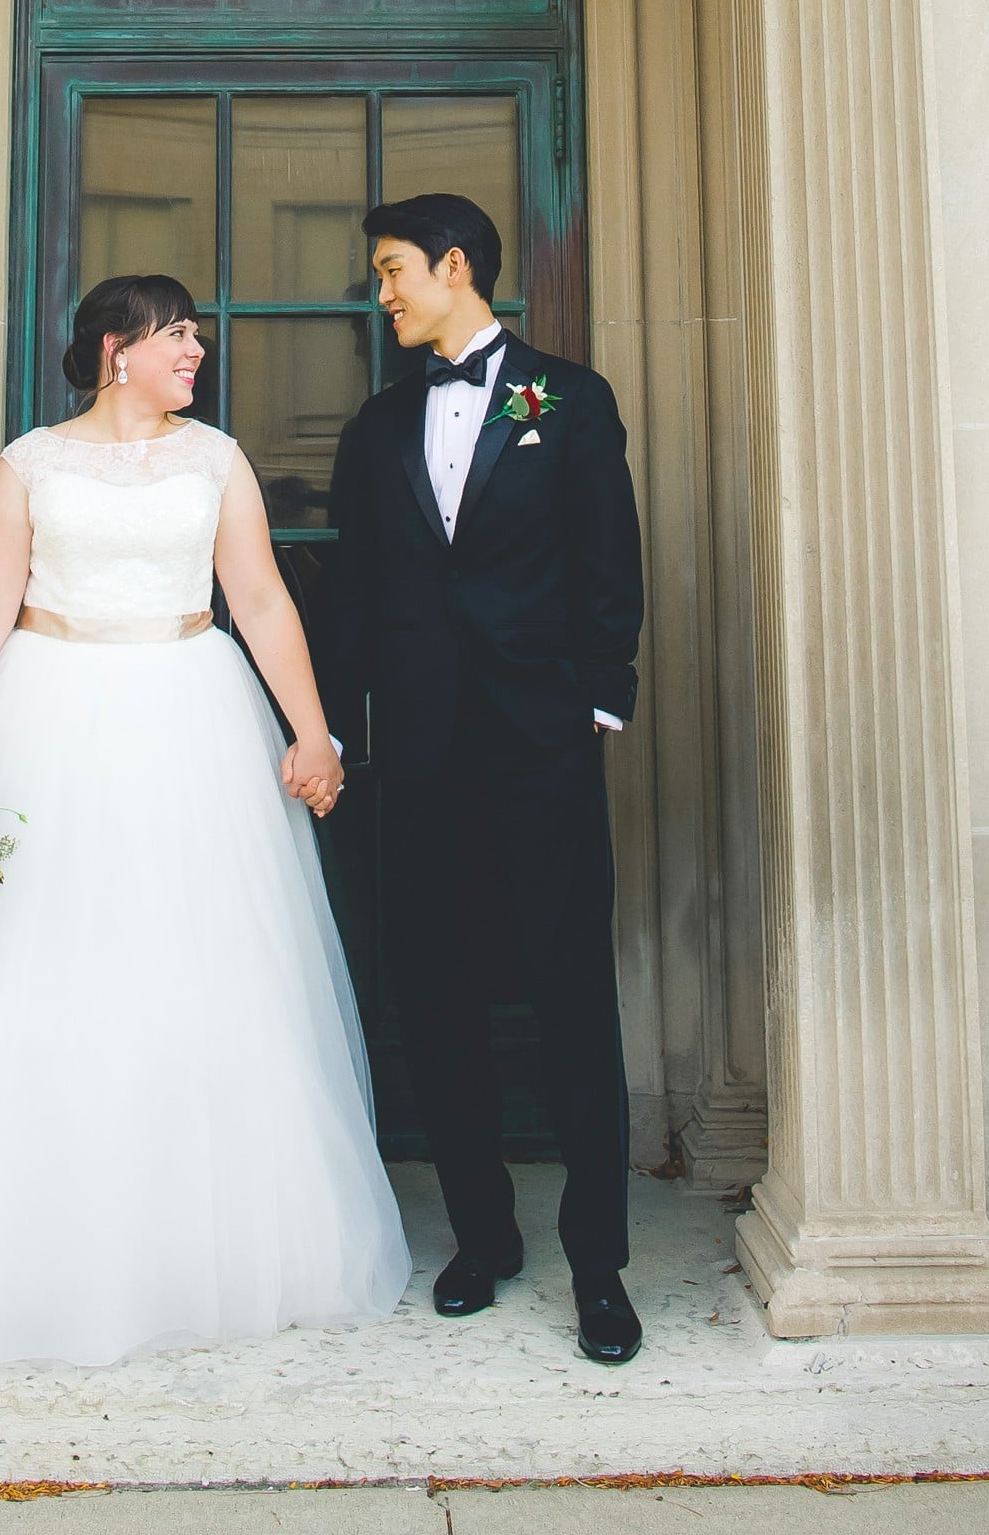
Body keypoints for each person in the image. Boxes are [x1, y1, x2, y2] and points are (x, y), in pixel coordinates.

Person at [0, 275, 411, 1388]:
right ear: (117, 347)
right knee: (38, 964)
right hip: (46, 708)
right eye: (178, 335)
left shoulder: (217, 459)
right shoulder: (29, 463)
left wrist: (313, 731)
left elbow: (260, 599)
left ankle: (180, 1248)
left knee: (193, 966)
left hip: (189, 708)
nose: (195, 352)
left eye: (195, 336)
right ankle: (32, 1246)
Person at [319, 194, 647, 1365]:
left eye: (392, 269)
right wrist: (337, 729)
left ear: (455, 265)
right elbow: (354, 595)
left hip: (540, 748)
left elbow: (610, 553)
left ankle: (599, 1266)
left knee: (568, 998)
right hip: (415, 759)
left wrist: (597, 695)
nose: (382, 291)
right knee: (437, 996)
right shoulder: (373, 427)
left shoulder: (568, 397)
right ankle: (482, 1238)